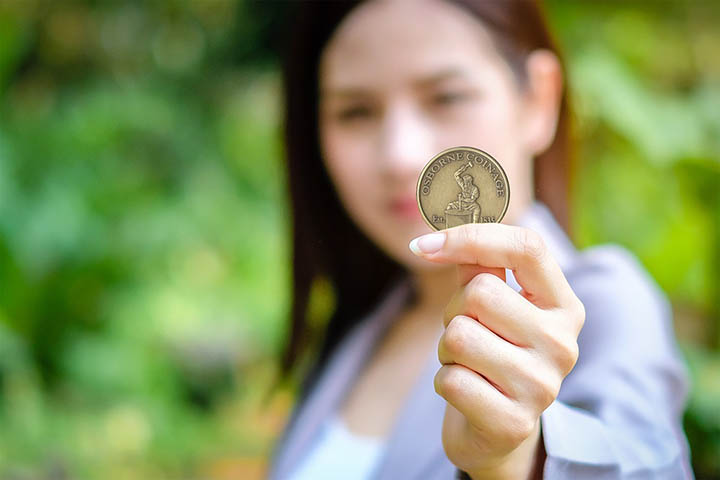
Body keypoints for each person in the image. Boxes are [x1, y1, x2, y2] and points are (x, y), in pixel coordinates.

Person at [266, 0, 694, 478]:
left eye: (447, 97)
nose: (401, 155)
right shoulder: (363, 319)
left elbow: (642, 460)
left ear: (539, 100)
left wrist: (517, 457)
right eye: (356, 111)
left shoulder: (605, 300)